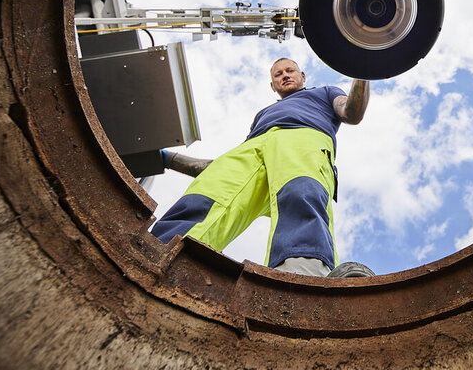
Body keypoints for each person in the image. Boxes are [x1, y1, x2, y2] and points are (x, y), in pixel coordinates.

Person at [152, 57, 372, 277]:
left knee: (300, 194)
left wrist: (361, 65)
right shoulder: (262, 115)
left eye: (290, 71)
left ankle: (301, 275)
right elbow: (214, 167)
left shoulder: (325, 92)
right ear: (273, 85)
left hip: (303, 137)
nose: (285, 75)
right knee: (208, 193)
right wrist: (166, 158)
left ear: (302, 76)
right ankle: (160, 253)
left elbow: (351, 112)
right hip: (255, 145)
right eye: (278, 74)